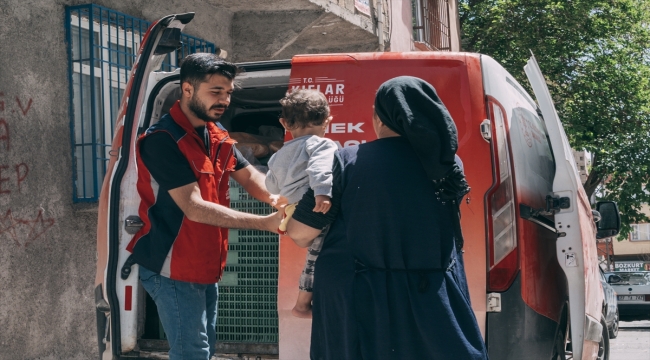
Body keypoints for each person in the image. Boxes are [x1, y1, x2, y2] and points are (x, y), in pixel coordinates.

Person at [286, 76, 489, 359]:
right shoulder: (449, 164)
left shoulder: (347, 160)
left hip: (359, 298)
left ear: (380, 118)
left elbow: (301, 232)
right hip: (431, 298)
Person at [125, 53, 283, 360]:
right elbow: (194, 208)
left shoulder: (216, 134)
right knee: (192, 354)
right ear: (187, 90)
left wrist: (278, 199)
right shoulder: (163, 139)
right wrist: (264, 222)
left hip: (204, 265)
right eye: (215, 92)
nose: (223, 99)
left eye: (227, 93)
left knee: (203, 350)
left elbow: (250, 176)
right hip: (173, 267)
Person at [265, 89, 338, 318]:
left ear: (284, 123)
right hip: (313, 208)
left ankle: (302, 305)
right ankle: (302, 305)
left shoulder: (279, 154)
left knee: (314, 254)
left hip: (291, 212)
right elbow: (320, 168)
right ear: (327, 121)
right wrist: (323, 193)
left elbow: (272, 185)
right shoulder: (322, 145)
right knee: (317, 255)